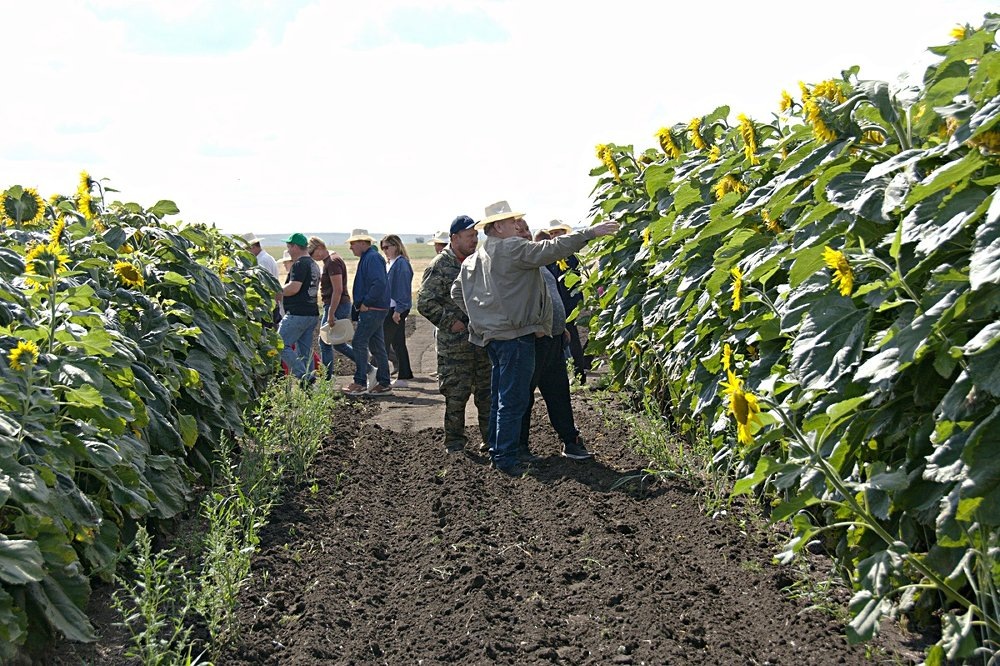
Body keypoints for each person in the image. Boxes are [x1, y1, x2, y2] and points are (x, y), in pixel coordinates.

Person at [451, 201, 618, 476]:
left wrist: (484, 317)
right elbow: (550, 249)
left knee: (500, 396)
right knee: (513, 399)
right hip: (517, 336)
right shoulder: (510, 248)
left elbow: (458, 292)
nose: (518, 225)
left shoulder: (474, 259)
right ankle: (506, 458)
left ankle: (498, 450)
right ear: (498, 226)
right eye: (512, 221)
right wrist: (589, 232)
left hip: (494, 337)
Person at [516, 224, 592, 461]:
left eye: (527, 230)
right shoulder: (515, 263)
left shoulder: (538, 262)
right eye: (519, 231)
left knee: (559, 392)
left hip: (554, 338)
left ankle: (570, 440)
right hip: (531, 340)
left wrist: (561, 328)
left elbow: (551, 294)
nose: (526, 234)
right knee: (524, 396)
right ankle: (520, 448)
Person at [417, 215, 491, 454]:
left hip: (481, 342)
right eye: (470, 236)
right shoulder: (440, 265)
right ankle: (455, 444)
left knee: (487, 395)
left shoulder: (479, 262)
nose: (474, 240)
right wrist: (452, 323)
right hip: (455, 345)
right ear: (454, 238)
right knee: (456, 396)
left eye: (476, 236)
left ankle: (491, 442)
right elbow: (425, 302)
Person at [343, 228, 392, 396]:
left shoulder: (371, 258)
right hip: (375, 308)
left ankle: (360, 382)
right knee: (377, 346)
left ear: (363, 243)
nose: (351, 247)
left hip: (372, 308)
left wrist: (366, 302)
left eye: (353, 243)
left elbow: (378, 283)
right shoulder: (370, 257)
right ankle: (384, 383)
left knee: (359, 343)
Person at [546, 219, 591, 384]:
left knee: (570, 337)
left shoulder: (568, 255)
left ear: (564, 233)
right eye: (551, 233)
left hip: (568, 302)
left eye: (556, 233)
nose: (553, 236)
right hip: (560, 302)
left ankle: (579, 373)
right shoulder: (555, 254)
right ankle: (574, 372)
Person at [307, 236, 356, 379]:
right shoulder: (330, 260)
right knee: (336, 344)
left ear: (320, 247)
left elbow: (338, 290)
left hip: (337, 305)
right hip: (337, 305)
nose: (312, 256)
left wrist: (331, 313)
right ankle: (366, 364)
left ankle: (327, 378)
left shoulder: (332, 262)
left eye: (313, 252)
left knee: (324, 341)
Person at [278, 232, 321, 381]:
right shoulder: (313, 264)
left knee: (280, 344)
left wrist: (277, 292)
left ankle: (304, 377)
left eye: (289, 246)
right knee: (304, 350)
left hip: (298, 313)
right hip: (311, 312)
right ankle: (309, 384)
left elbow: (294, 288)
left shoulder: (299, 264)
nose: (288, 250)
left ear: (295, 247)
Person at [380, 234, 414, 387]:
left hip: (396, 308)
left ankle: (380, 377)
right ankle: (403, 376)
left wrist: (398, 310)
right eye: (383, 247)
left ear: (396, 246)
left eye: (387, 247)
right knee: (398, 342)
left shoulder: (400, 264)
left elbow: (403, 289)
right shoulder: (393, 263)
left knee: (384, 342)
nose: (385, 250)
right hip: (393, 307)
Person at [241, 232, 282, 325]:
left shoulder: (262, 261)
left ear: (253, 247)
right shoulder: (266, 258)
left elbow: (263, 285)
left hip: (265, 306)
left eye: (246, 250)